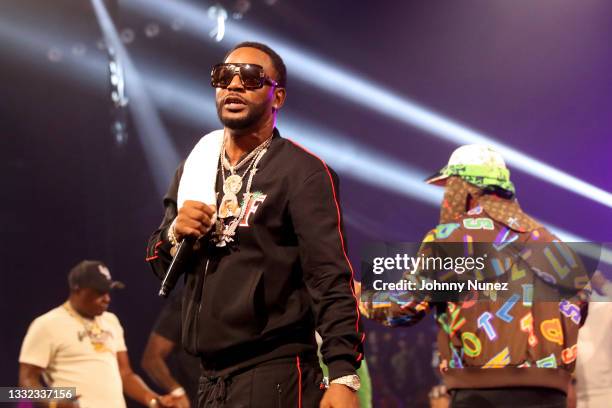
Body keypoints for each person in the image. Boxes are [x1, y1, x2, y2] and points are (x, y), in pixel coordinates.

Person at [145, 42, 363, 408]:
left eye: (249, 78)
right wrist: (174, 233)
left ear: (277, 97)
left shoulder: (303, 173)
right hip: (210, 378)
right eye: (223, 76)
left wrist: (343, 375)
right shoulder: (196, 168)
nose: (233, 85)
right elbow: (161, 266)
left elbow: (329, 277)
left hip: (274, 372)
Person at [363, 144, 589, 408]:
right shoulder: (554, 243)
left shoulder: (450, 239)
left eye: (450, 188)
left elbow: (404, 307)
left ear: (466, 189)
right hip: (551, 396)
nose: (446, 198)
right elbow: (580, 307)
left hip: (480, 395)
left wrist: (358, 294)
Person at [19, 260, 178, 408]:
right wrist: (54, 402)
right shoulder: (47, 324)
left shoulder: (111, 321)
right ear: (77, 289)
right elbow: (26, 382)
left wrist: (153, 400)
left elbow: (125, 374)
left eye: (108, 291)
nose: (107, 299)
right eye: (99, 292)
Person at [142, 290, 200, 408]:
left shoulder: (245, 296)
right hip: (197, 399)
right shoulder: (189, 297)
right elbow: (151, 358)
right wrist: (178, 392)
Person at [574, 270, 612, 408]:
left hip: (605, 396)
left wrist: (604, 285)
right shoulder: (559, 315)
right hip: (574, 397)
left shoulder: (603, 309)